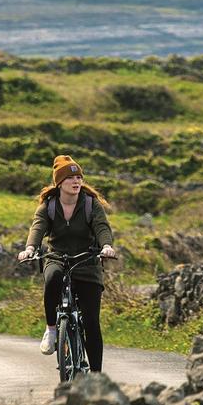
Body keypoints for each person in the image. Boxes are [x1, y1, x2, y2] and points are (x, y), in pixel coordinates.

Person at [17, 155, 117, 372]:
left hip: (87, 261)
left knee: (91, 321)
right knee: (52, 278)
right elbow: (37, 228)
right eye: (71, 178)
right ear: (60, 183)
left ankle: (97, 374)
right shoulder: (48, 206)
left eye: (79, 177)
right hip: (57, 257)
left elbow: (102, 227)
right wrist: (30, 249)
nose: (77, 182)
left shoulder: (91, 205)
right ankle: (52, 329)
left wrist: (106, 246)